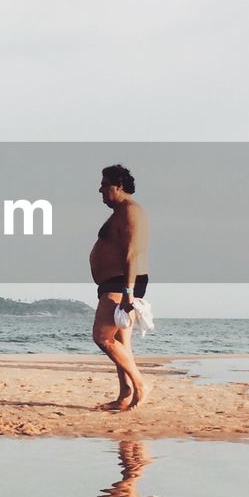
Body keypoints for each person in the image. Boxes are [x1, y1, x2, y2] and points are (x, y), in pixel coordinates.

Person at [89, 164, 150, 410]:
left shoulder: (130, 211)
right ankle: (125, 394)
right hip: (115, 282)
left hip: (122, 282)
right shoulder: (120, 212)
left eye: (104, 184)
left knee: (102, 337)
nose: (100, 189)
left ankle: (141, 385)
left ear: (119, 186)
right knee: (121, 342)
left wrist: (128, 292)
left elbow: (132, 253)